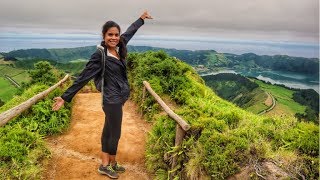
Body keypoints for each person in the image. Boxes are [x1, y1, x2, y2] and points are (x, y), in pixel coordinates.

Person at [52, 11, 153, 179]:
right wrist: (65, 97)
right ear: (103, 36)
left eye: (116, 34)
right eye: (110, 35)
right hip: (110, 100)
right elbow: (84, 76)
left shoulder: (120, 46)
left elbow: (129, 32)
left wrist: (140, 20)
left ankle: (109, 164)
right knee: (115, 133)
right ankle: (107, 165)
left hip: (118, 98)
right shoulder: (100, 55)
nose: (113, 38)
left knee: (108, 131)